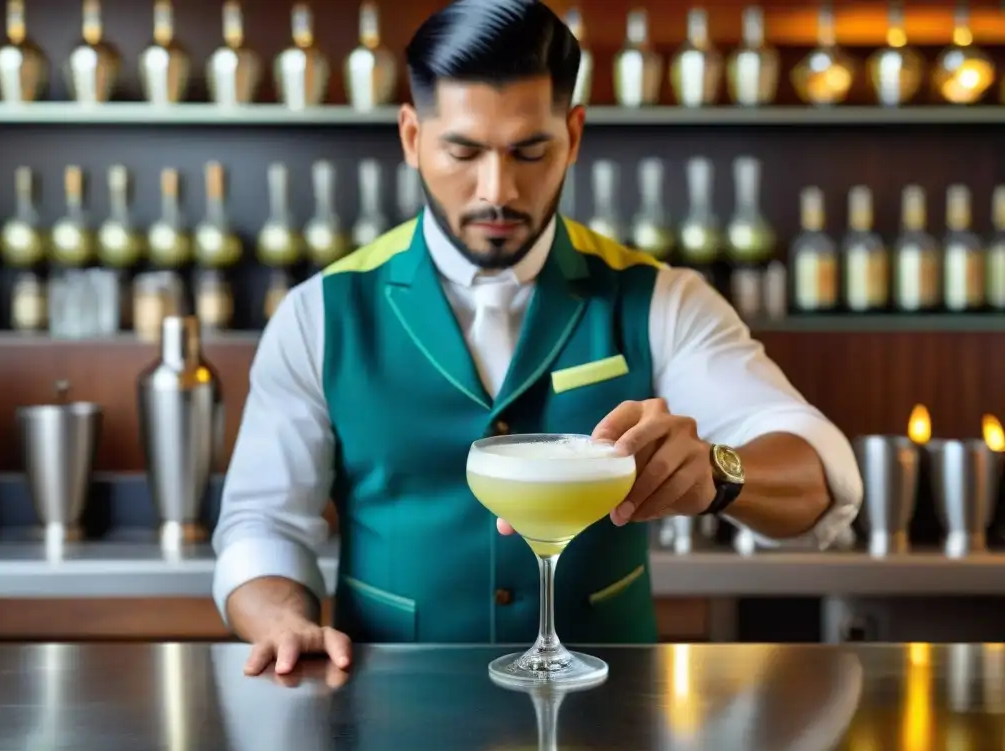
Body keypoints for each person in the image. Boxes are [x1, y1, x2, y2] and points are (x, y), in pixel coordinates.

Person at [212, 0, 862, 676]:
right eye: (463, 151)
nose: (498, 189)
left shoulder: (661, 299)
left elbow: (820, 474)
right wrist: (282, 617)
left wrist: (721, 472)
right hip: (387, 704)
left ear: (574, 136)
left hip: (613, 718)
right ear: (411, 138)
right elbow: (263, 524)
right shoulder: (320, 313)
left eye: (531, 151)